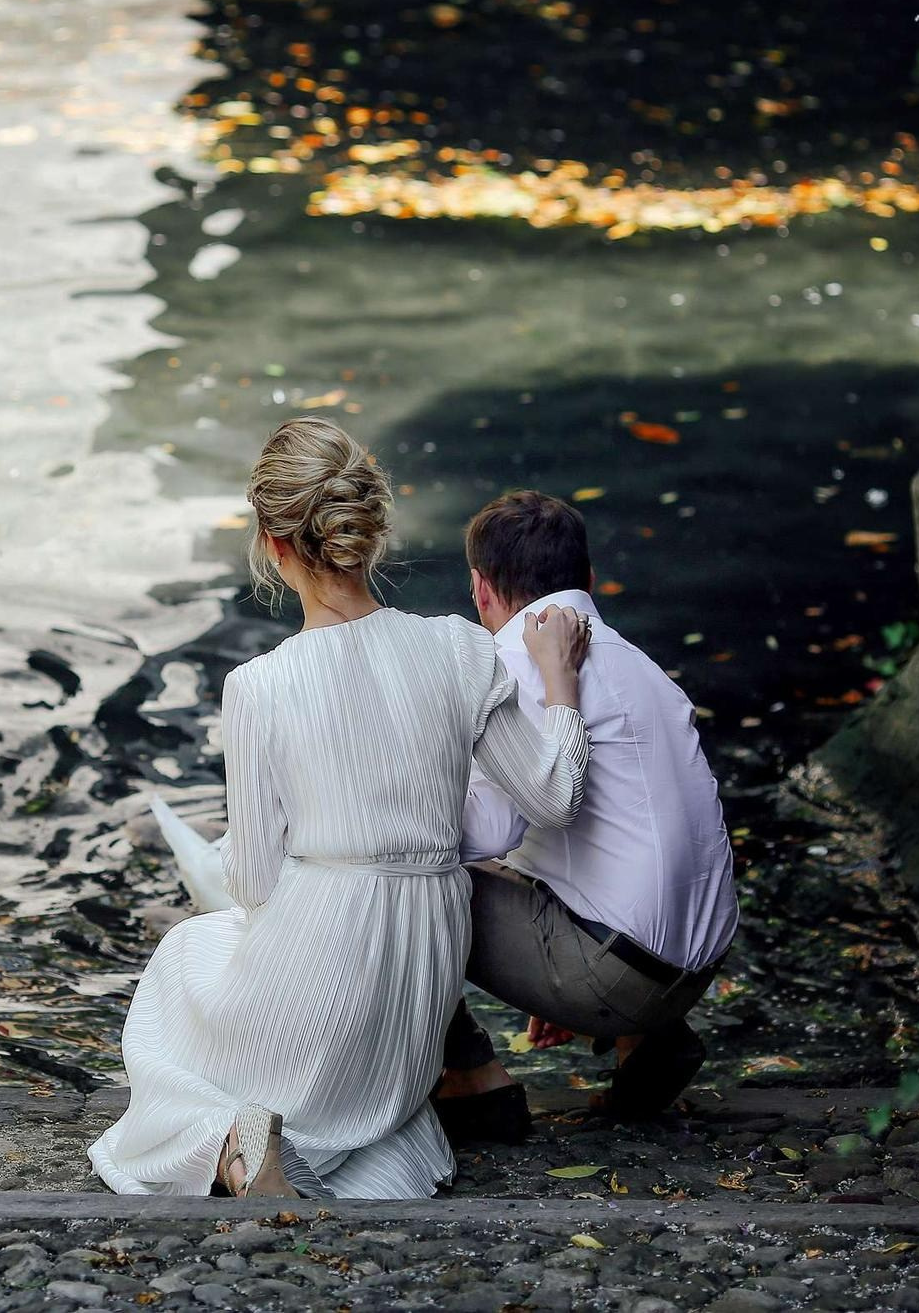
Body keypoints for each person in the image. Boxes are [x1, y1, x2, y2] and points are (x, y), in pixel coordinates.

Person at [89, 419, 593, 1199]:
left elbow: (254, 881)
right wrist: (559, 685)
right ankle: (327, 1127)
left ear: (271, 539)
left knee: (183, 959)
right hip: (425, 953)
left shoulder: (261, 684)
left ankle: (228, 1135)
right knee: (376, 1140)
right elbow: (555, 797)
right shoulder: (459, 648)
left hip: (329, 943)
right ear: (374, 527)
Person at [435, 490, 740, 1141]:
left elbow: (486, 833)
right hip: (696, 963)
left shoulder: (509, 665)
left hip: (618, 970)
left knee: (415, 868)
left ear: (480, 589)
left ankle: (468, 1070)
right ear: (590, 581)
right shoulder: (642, 665)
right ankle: (643, 1038)